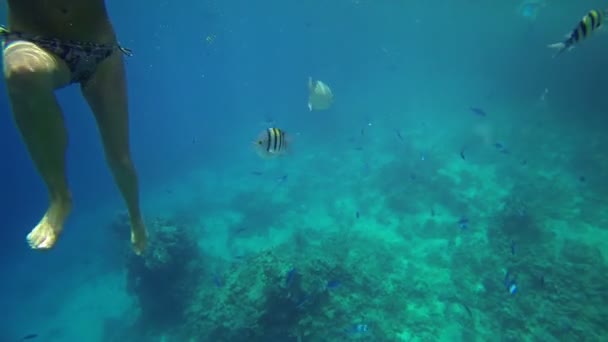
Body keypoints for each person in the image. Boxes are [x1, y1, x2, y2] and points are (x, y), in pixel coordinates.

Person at [2, 0, 147, 254]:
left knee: (120, 159)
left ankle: (136, 217)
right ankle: (59, 197)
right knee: (21, 72)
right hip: (31, 43)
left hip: (101, 52)